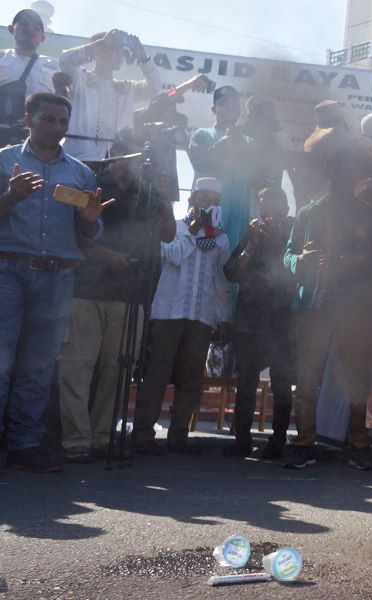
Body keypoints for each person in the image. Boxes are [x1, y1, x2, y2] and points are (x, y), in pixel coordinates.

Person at [0, 92, 110, 472]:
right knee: (0, 361)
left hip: (57, 276)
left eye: (63, 121)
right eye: (49, 119)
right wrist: (11, 197)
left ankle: (24, 445)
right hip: (8, 271)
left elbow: (88, 234)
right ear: (28, 119)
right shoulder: (4, 160)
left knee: (39, 365)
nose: (58, 128)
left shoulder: (80, 172)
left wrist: (91, 219)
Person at [57, 138, 175, 463]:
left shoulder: (147, 191)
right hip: (86, 289)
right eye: (135, 155)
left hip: (131, 291)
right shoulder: (91, 180)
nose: (139, 163)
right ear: (116, 155)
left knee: (117, 370)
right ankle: (75, 440)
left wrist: (164, 199)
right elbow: (71, 235)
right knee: (77, 366)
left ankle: (102, 437)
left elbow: (168, 234)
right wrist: (107, 256)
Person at [284, 144, 372, 470]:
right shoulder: (309, 212)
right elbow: (288, 254)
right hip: (314, 304)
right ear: (330, 174)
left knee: (355, 377)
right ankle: (304, 443)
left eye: (350, 172)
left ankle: (358, 445)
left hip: (354, 307)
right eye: (338, 171)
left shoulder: (369, 214)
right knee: (307, 379)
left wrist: (360, 260)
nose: (344, 177)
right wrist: (300, 259)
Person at [132, 178, 232, 456]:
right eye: (203, 198)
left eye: (214, 200)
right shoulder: (173, 227)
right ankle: (142, 436)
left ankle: (178, 438)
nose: (209, 204)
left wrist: (223, 318)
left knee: (191, 379)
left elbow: (220, 281)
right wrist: (193, 231)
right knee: (157, 375)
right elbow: (173, 256)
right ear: (191, 200)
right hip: (169, 314)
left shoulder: (221, 237)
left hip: (201, 317)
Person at [222, 187, 296, 459]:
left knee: (281, 384)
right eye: (263, 206)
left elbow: (297, 269)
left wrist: (279, 238)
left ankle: (277, 442)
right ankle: (242, 439)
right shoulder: (252, 233)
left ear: (285, 208)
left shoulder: (293, 231)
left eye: (273, 206)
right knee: (246, 382)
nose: (267, 212)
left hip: (280, 321)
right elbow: (230, 272)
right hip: (250, 321)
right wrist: (250, 246)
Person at [59, 30, 161, 162]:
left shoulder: (127, 88)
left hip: (116, 167)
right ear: (98, 53)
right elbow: (65, 61)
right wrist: (102, 43)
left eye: (121, 52)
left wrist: (143, 56)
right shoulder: (80, 80)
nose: (120, 56)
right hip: (78, 161)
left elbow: (155, 87)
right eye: (114, 50)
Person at [188, 85, 254, 252]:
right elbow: (200, 163)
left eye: (235, 105)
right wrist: (226, 141)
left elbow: (258, 175)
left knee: (230, 271)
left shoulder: (249, 143)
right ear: (213, 109)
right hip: (205, 219)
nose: (230, 109)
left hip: (238, 219)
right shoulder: (201, 135)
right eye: (224, 104)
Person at [0, 9, 58, 143]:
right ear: (11, 29)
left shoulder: (54, 66)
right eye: (24, 25)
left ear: (43, 37)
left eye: (36, 28)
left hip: (38, 140)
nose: (30, 29)